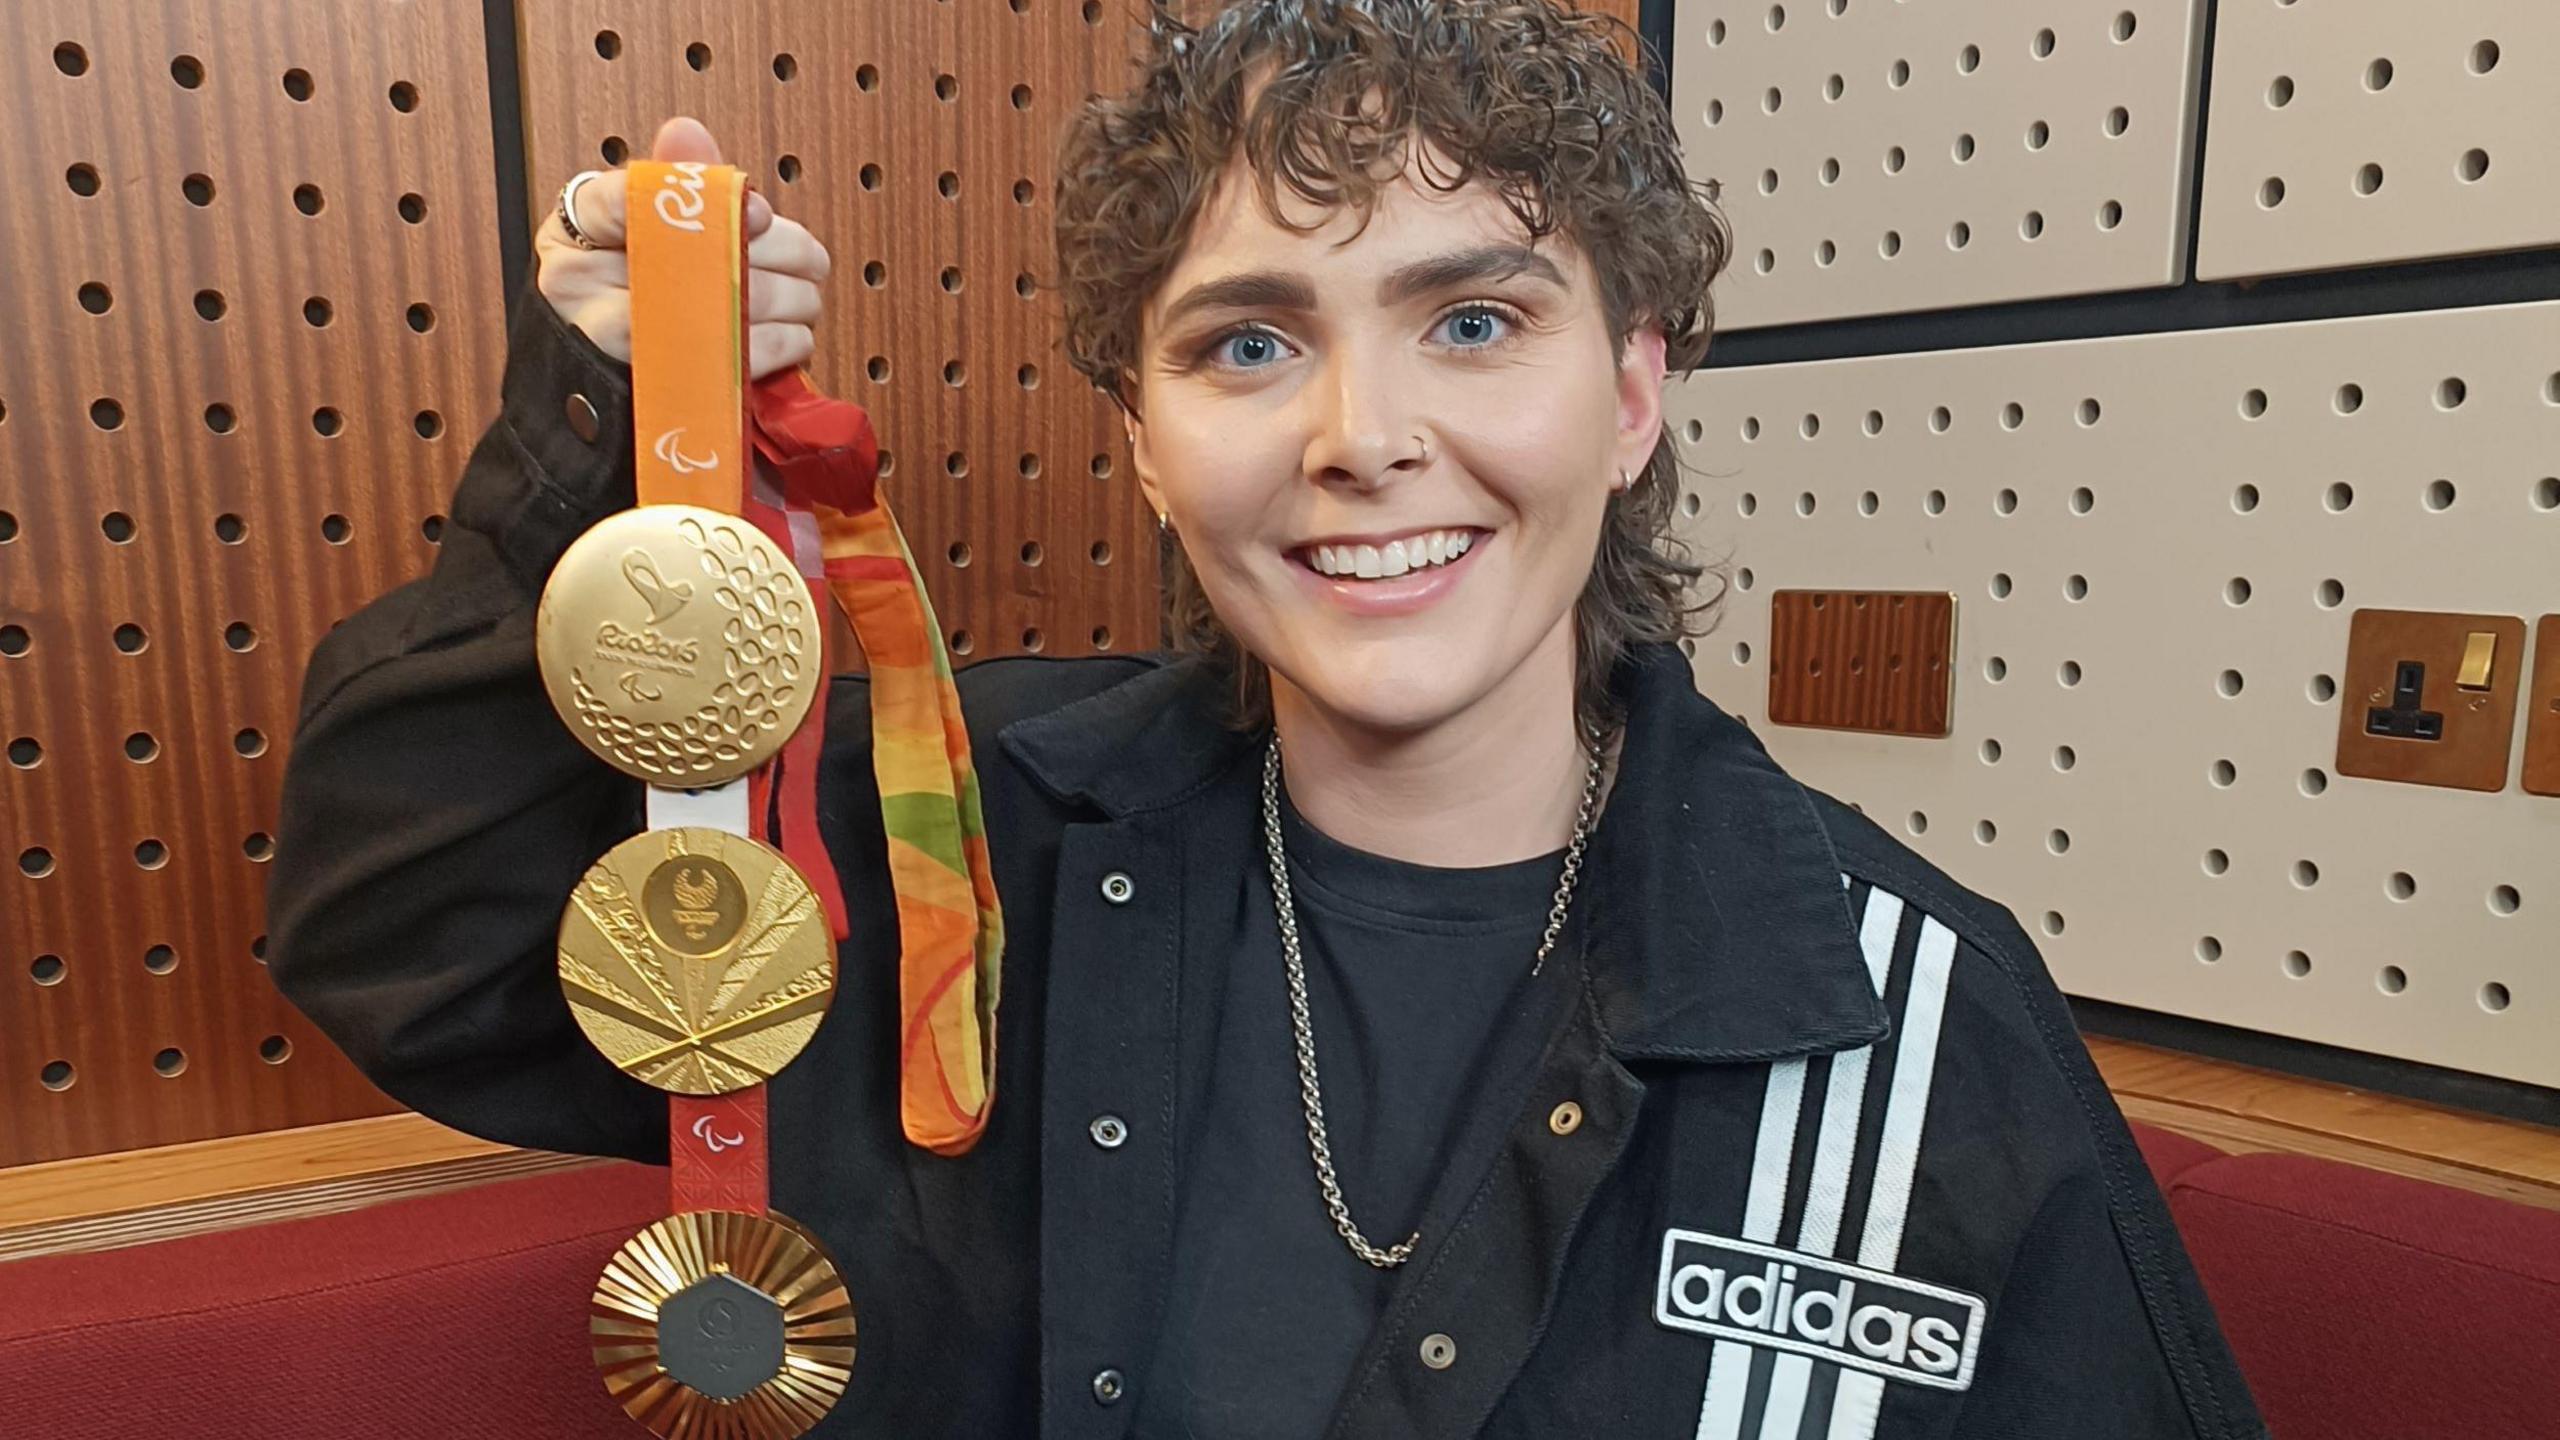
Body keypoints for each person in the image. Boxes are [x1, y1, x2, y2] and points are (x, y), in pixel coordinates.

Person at [268, 1, 2266, 1436]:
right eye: (1247, 344)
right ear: (1143, 445)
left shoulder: (1905, 1015)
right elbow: (410, 937)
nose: (1361, 441)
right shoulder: (943, 849)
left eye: (1471, 322)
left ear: (1632, 392)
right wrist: (616, 434)